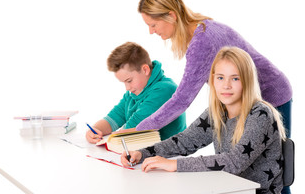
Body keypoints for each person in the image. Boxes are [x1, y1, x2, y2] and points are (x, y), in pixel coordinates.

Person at [122, 47, 287, 194]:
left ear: (247, 81)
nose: (226, 85)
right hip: (229, 188)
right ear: (213, 80)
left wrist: (175, 165)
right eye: (220, 78)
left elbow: (235, 162)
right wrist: (143, 153)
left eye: (235, 78)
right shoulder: (217, 112)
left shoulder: (261, 114)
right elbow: (183, 142)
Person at [136, 0, 292, 138]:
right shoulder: (203, 27)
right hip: (251, 100)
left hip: (271, 98)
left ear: (171, 16)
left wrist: (139, 130)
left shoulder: (201, 43)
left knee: (272, 160)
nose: (151, 31)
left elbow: (182, 100)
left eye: (153, 25)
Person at [85, 42, 186, 143]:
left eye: (129, 81)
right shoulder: (134, 92)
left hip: (170, 154)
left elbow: (135, 127)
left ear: (145, 70)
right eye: (124, 82)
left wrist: (112, 139)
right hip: (146, 152)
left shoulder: (164, 89)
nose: (127, 87)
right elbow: (114, 117)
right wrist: (95, 130)